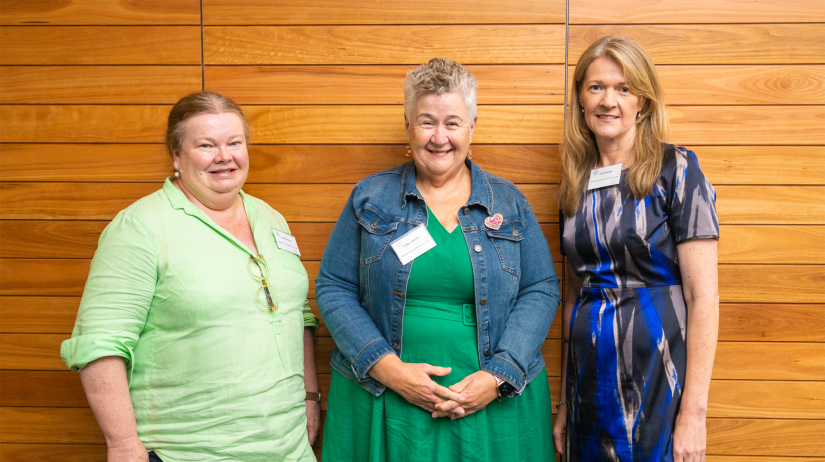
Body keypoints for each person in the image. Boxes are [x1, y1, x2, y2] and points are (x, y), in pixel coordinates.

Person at [316, 58, 560, 461]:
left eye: (453, 122)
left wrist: (498, 376)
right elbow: (333, 287)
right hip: (385, 397)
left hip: (492, 401)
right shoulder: (370, 196)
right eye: (427, 121)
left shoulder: (509, 201)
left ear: (472, 126)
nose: (439, 137)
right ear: (408, 126)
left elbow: (541, 289)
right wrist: (391, 371)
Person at [60, 91, 321, 462]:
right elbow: (99, 345)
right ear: (176, 156)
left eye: (234, 142)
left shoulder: (270, 218)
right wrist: (123, 445)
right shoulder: (139, 228)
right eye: (206, 145)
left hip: (289, 448)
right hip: (187, 451)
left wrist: (310, 396)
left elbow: (297, 315)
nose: (224, 156)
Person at [553, 36, 720, 462]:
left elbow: (704, 298)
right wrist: (564, 403)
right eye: (596, 88)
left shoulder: (678, 170)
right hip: (589, 380)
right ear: (581, 100)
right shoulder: (574, 184)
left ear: (642, 102)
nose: (609, 100)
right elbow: (574, 296)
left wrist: (694, 414)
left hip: (658, 380)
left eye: (623, 89)